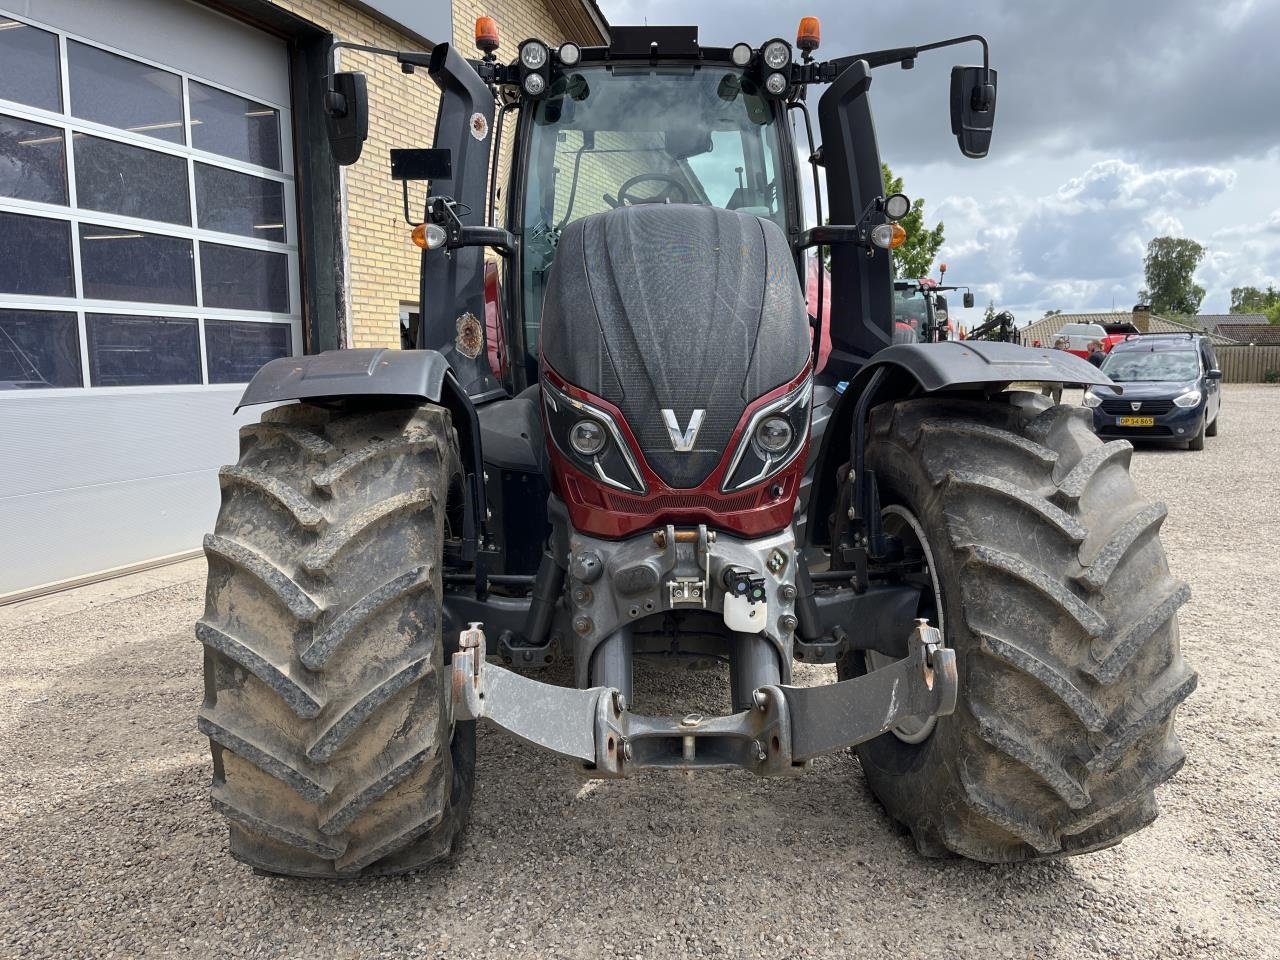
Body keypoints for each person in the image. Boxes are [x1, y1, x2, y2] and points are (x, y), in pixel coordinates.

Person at [1042, 337, 1070, 404]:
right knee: (1056, 401)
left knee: (1043, 400)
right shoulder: (1061, 354)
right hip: (1057, 380)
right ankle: (1056, 413)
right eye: (1064, 345)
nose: (1064, 347)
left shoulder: (1047, 353)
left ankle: (1042, 413)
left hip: (1046, 380)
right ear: (1060, 345)